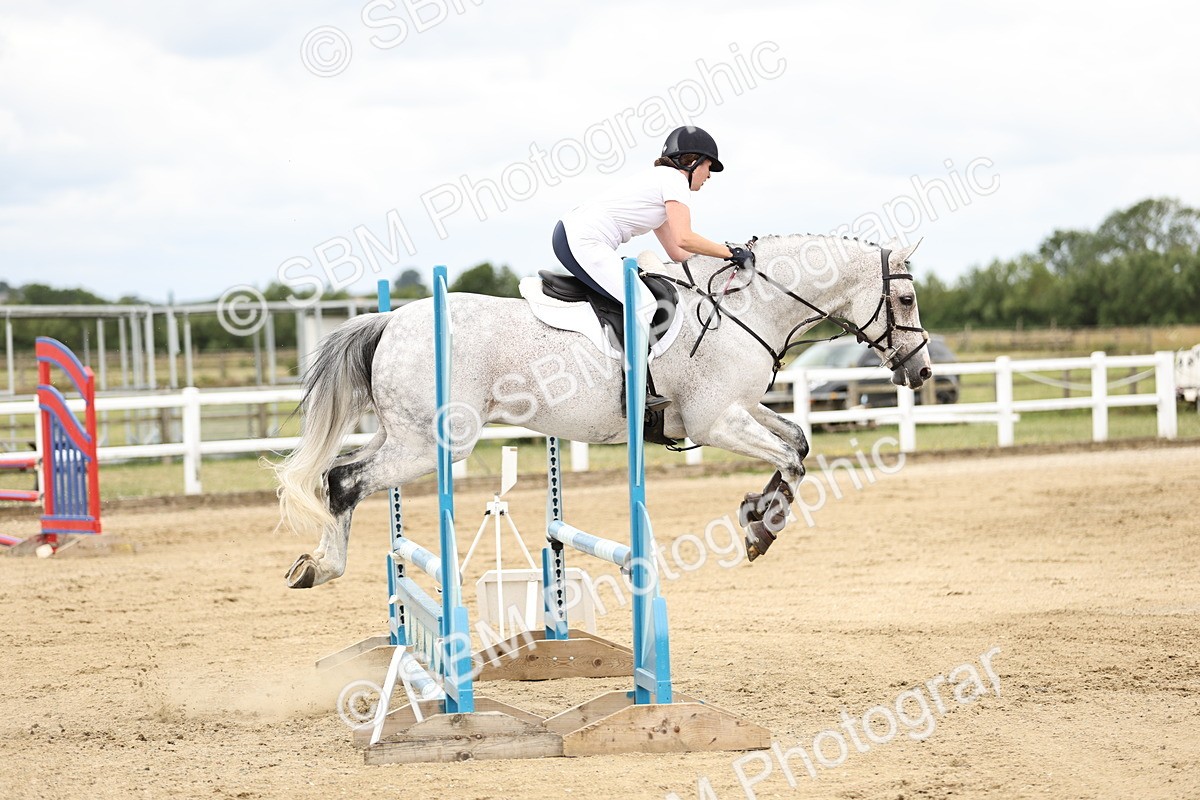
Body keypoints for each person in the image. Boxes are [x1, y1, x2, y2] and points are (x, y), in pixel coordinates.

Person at [551, 125, 754, 411]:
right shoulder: (675, 182)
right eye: (708, 166)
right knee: (644, 304)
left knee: (641, 298)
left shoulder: (662, 184)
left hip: (575, 234)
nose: (709, 175)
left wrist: (722, 259)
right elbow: (686, 237)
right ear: (692, 161)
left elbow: (678, 251)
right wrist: (730, 252)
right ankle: (632, 391)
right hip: (583, 239)